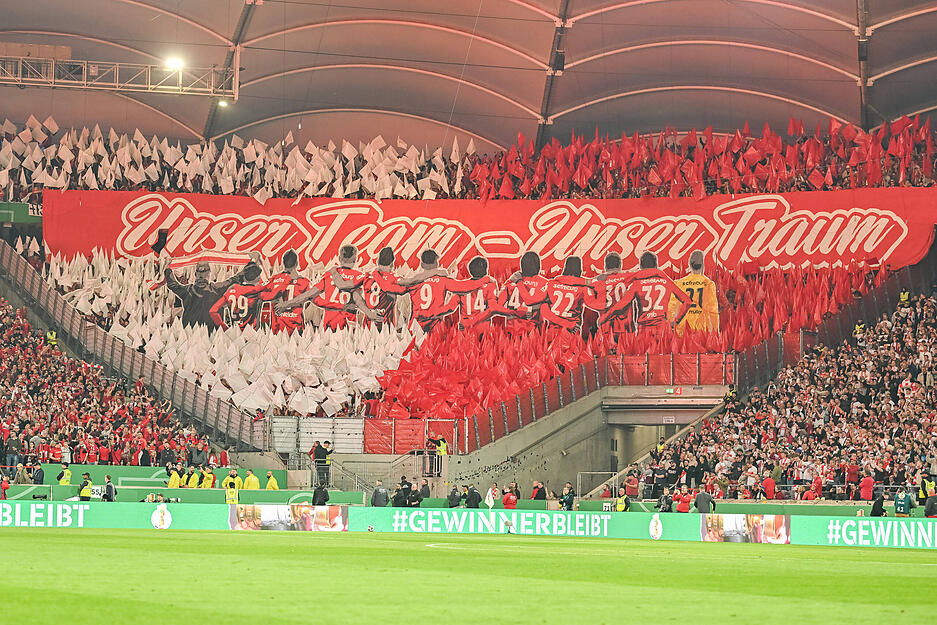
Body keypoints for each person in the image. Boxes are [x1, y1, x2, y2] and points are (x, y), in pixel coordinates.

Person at [164, 261, 249, 328]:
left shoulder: (187, 290)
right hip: (213, 336)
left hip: (191, 335)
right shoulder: (217, 288)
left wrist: (168, 267)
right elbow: (235, 279)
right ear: (209, 275)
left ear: (195, 275)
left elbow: (172, 284)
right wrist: (252, 263)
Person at [670, 249, 719, 333]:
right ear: (703, 265)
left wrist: (671, 324)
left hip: (682, 329)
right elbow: (713, 311)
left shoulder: (678, 283)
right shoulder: (709, 284)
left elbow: (672, 308)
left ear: (689, 265)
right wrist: (716, 331)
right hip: (702, 329)